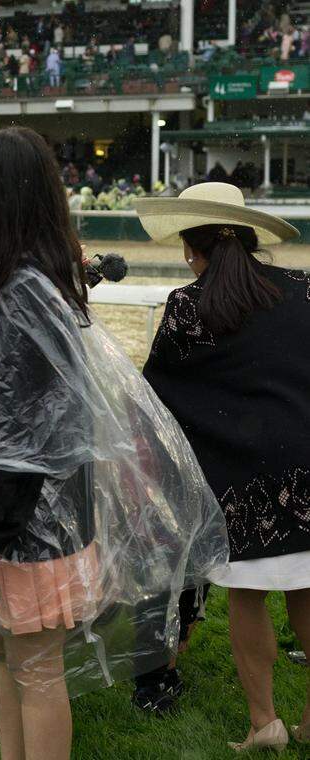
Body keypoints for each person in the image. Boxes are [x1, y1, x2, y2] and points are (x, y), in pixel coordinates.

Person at [0, 126, 229, 760]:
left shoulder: (25, 291)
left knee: (34, 668)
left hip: (33, 524)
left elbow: (32, 444)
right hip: (13, 515)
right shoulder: (12, 276)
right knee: (10, 655)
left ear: (4, 195)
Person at [137, 183, 309, 752]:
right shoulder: (305, 289)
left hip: (237, 484)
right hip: (307, 468)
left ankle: (266, 724)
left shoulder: (189, 307)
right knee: (307, 592)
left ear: (192, 246)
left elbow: (157, 398)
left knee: (248, 598)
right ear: (253, 239)